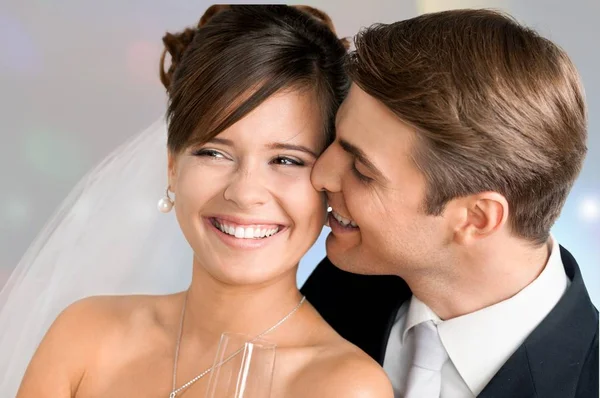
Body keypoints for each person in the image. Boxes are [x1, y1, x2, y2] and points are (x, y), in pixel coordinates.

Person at [4, 5, 394, 398]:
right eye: (214, 153)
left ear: (328, 180)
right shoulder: (84, 336)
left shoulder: (344, 386)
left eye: (286, 160)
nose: (244, 192)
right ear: (173, 167)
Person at [302, 9, 599, 398]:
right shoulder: (338, 287)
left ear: (476, 218)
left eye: (361, 168)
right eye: (334, 139)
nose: (319, 175)